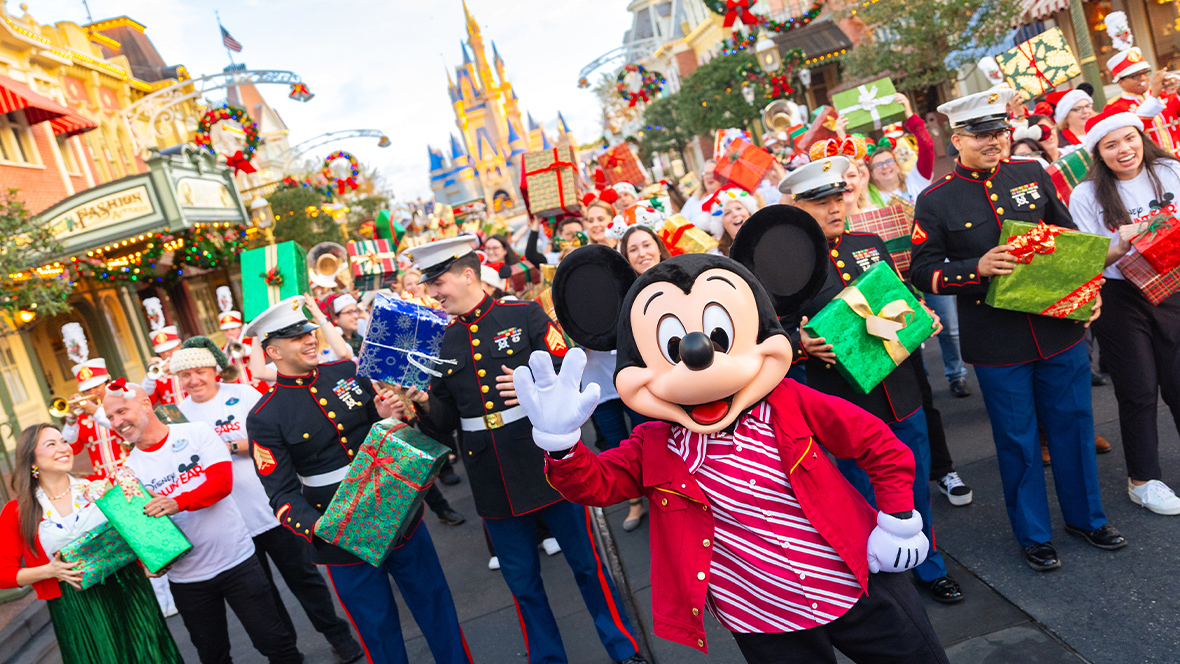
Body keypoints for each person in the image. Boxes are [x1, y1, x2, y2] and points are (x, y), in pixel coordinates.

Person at [516, 220, 949, 663]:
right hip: (761, 613)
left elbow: (880, 445)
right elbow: (597, 485)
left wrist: (897, 518)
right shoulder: (653, 443)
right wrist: (561, 444)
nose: (699, 355)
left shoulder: (787, 400)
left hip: (851, 578)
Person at [400, 236, 646, 664]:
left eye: (438, 281)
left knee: (589, 567)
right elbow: (443, 423)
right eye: (429, 285)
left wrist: (536, 382)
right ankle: (548, 659)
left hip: (546, 466)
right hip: (490, 479)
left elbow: (567, 361)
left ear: (467, 274)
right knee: (522, 584)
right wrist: (420, 401)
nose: (433, 293)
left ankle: (623, 649)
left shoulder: (522, 312)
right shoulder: (439, 342)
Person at [911, 88, 1125, 571]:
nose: (995, 141)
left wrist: (1088, 291)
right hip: (996, 340)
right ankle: (1033, 535)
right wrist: (976, 267)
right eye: (983, 135)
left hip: (1058, 327)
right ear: (956, 139)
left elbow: (1068, 238)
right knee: (1018, 440)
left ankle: (1087, 519)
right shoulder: (936, 199)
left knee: (1074, 427)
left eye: (1000, 131)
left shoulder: (1031, 173)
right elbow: (922, 270)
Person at [243, 296, 471, 664]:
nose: (310, 339)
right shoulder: (265, 416)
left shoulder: (347, 371)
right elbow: (282, 494)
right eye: (295, 337)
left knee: (436, 606)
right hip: (340, 534)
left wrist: (387, 418)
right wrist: (323, 529)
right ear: (273, 351)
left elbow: (385, 437)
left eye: (308, 331)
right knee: (378, 634)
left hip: (396, 509)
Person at [780, 157, 962, 603]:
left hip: (900, 390)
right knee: (860, 493)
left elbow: (897, 296)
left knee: (914, 483)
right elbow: (770, 332)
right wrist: (799, 343)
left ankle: (928, 564)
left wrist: (921, 316)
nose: (834, 209)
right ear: (799, 206)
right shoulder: (786, 265)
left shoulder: (869, 241)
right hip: (841, 402)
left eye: (837, 198)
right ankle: (882, 579)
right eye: (820, 202)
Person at [173, 337, 366, 663]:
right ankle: (288, 652)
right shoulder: (177, 417)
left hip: (269, 508)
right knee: (263, 597)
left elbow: (272, 438)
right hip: (230, 524)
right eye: (185, 375)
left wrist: (225, 448)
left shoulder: (243, 395)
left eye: (200, 371)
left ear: (215, 369)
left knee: (305, 579)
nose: (193, 381)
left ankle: (337, 634)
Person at [105, 379, 304, 664]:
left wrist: (175, 502)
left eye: (122, 411)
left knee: (276, 643)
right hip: (187, 580)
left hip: (238, 562)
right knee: (213, 656)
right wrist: (149, 558)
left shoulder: (196, 432)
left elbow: (221, 484)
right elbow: (140, 529)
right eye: (111, 417)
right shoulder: (128, 470)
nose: (117, 421)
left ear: (146, 403)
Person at [1067, 110, 1180, 515]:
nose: (1124, 150)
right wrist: (1119, 243)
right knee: (1139, 388)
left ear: (1141, 137)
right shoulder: (1085, 195)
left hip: (1174, 284)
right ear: (1098, 153)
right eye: (1111, 145)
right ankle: (1143, 480)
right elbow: (1091, 261)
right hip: (1121, 296)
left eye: (1129, 139)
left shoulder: (1169, 171)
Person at [0, 423, 183, 664]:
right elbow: (4, 574)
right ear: (31, 459)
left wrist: (148, 561)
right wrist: (49, 571)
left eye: (63, 442)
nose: (63, 448)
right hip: (75, 604)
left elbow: (132, 531)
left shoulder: (99, 486)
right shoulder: (17, 511)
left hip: (128, 586)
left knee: (151, 656)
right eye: (51, 444)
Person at [1100, 11, 1180, 154]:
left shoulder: (1164, 95)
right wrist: (1154, 95)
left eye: (1144, 73)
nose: (1142, 78)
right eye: (1135, 76)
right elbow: (1137, 126)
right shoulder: (1114, 107)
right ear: (1120, 82)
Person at [59, 356, 125, 481]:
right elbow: (70, 448)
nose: (92, 393)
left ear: (108, 383)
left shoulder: (121, 403)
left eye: (96, 387)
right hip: (104, 480)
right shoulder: (83, 416)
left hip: (131, 472)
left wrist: (95, 411)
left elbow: (123, 429)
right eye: (87, 390)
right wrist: (71, 420)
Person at [865, 94, 934, 206]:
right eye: (878, 165)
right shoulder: (869, 198)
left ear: (898, 166)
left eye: (889, 161)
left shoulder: (916, 179)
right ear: (872, 174)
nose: (885, 166)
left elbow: (926, 146)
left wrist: (908, 114)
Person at [709, 185, 759, 256]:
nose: (735, 214)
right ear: (722, 225)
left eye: (739, 208)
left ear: (749, 213)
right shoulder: (719, 255)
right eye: (727, 213)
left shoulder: (768, 236)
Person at [143, 325, 184, 406]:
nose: (166, 354)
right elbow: (146, 399)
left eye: (169, 350)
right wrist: (150, 376)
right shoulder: (158, 374)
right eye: (161, 352)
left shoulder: (193, 363)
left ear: (179, 346)